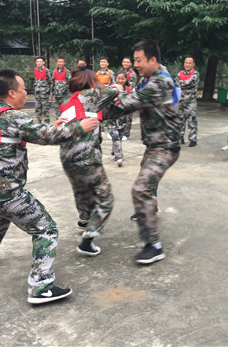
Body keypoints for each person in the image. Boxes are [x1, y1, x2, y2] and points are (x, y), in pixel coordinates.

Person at [0, 69, 99, 304]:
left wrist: (55, 126)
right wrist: (80, 127)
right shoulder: (14, 116)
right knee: (46, 229)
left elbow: (28, 134)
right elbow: (44, 135)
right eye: (23, 89)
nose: (26, 92)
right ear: (11, 93)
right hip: (5, 192)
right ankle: (40, 285)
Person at [109, 39, 181, 264]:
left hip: (166, 146)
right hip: (155, 144)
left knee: (141, 188)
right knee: (147, 183)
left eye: (139, 60)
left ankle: (154, 245)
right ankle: (150, 211)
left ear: (153, 59)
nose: (135, 64)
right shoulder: (149, 78)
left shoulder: (159, 83)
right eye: (134, 60)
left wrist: (96, 107)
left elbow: (128, 103)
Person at [59, 67, 119, 256]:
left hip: (67, 156)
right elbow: (115, 90)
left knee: (81, 190)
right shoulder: (92, 94)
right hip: (86, 155)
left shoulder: (68, 101)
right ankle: (88, 240)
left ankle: (84, 220)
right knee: (105, 198)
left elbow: (97, 114)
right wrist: (112, 87)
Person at [107, 71, 131, 166]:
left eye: (122, 79)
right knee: (115, 137)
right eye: (118, 78)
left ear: (126, 79)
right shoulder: (111, 88)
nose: (120, 80)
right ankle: (119, 157)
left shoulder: (128, 89)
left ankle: (114, 152)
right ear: (115, 78)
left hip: (123, 118)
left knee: (119, 138)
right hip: (111, 118)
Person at [176, 55, 199, 147]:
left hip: (190, 102)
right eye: (186, 62)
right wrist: (180, 83)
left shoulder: (195, 74)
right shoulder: (180, 73)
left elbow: (189, 83)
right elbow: (176, 83)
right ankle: (180, 138)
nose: (187, 64)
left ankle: (193, 139)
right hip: (180, 100)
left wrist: (180, 82)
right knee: (180, 120)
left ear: (193, 64)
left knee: (191, 120)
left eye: (189, 63)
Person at [119, 56, 137, 140]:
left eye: (127, 62)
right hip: (121, 95)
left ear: (130, 64)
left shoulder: (132, 74)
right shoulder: (121, 72)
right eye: (124, 62)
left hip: (129, 95)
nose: (125, 63)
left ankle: (126, 133)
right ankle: (121, 131)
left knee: (128, 116)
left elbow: (131, 86)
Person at [33, 56, 53, 124]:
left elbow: (51, 82)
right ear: (36, 63)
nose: (39, 63)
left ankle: (47, 123)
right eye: (37, 62)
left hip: (44, 93)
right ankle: (38, 122)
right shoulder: (35, 70)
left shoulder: (47, 71)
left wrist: (50, 93)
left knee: (45, 109)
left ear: (43, 62)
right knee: (38, 108)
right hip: (37, 93)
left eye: (40, 61)